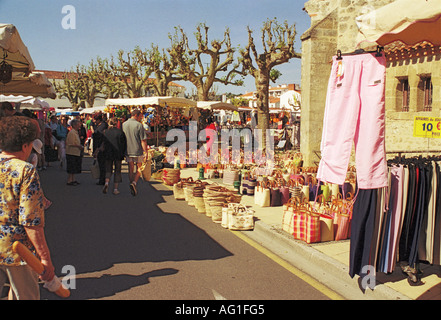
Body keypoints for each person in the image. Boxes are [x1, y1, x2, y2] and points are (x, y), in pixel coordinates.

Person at [0, 116, 55, 300]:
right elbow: (31, 221)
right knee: (25, 295)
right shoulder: (24, 170)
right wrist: (44, 257)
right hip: (17, 250)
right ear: (25, 146)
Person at [122, 109, 148, 196]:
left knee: (130, 168)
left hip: (128, 149)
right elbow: (143, 140)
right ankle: (134, 183)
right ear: (136, 115)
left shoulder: (124, 124)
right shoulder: (139, 125)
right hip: (137, 150)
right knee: (139, 167)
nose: (141, 118)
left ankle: (131, 182)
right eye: (140, 116)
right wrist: (146, 152)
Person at [100, 117, 127, 195]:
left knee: (108, 169)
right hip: (118, 154)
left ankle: (106, 183)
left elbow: (103, 143)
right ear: (117, 123)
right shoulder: (120, 132)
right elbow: (124, 144)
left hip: (108, 153)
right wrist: (123, 153)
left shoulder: (106, 132)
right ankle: (115, 189)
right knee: (117, 171)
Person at [91, 113, 108, 185]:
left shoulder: (102, 126)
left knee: (102, 164)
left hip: (101, 148)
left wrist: (97, 149)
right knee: (101, 164)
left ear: (98, 120)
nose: (94, 122)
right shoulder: (100, 125)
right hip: (99, 147)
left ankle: (102, 179)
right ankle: (102, 179)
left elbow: (100, 137)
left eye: (95, 120)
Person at [65, 119, 83, 186]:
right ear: (75, 125)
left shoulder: (75, 132)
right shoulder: (72, 133)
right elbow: (71, 143)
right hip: (71, 152)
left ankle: (73, 179)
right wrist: (79, 146)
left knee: (74, 167)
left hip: (75, 152)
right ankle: (69, 180)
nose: (79, 125)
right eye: (78, 124)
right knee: (71, 167)